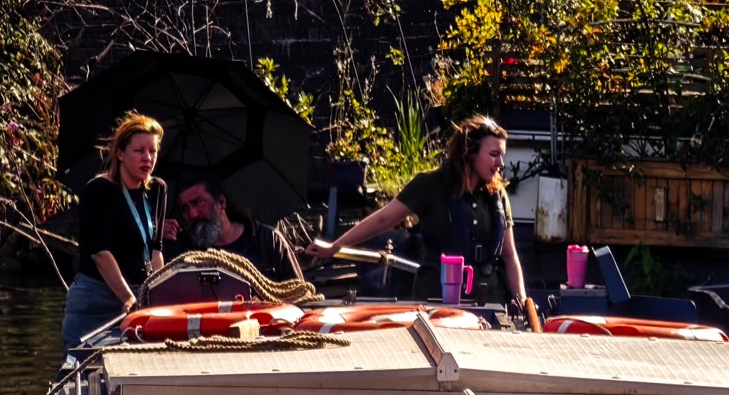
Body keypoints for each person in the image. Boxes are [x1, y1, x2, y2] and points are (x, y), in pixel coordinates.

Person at [311, 114, 529, 309]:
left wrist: (522, 302)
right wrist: (335, 246)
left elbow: (510, 257)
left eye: (502, 155)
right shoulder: (430, 185)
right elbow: (384, 219)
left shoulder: (497, 195)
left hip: (489, 300)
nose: (501, 163)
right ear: (469, 152)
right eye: (494, 154)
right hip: (437, 299)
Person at [61, 112, 170, 353]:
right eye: (139, 151)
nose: (147, 158)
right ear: (120, 153)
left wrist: (156, 293)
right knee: (82, 366)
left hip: (138, 295)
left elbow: (155, 250)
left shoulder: (158, 189)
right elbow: (100, 253)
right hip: (98, 297)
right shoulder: (98, 190)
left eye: (152, 151)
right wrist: (127, 297)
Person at [172, 170, 299, 280]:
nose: (193, 214)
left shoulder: (267, 240)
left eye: (198, 202)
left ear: (221, 202)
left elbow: (299, 293)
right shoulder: (185, 252)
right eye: (185, 208)